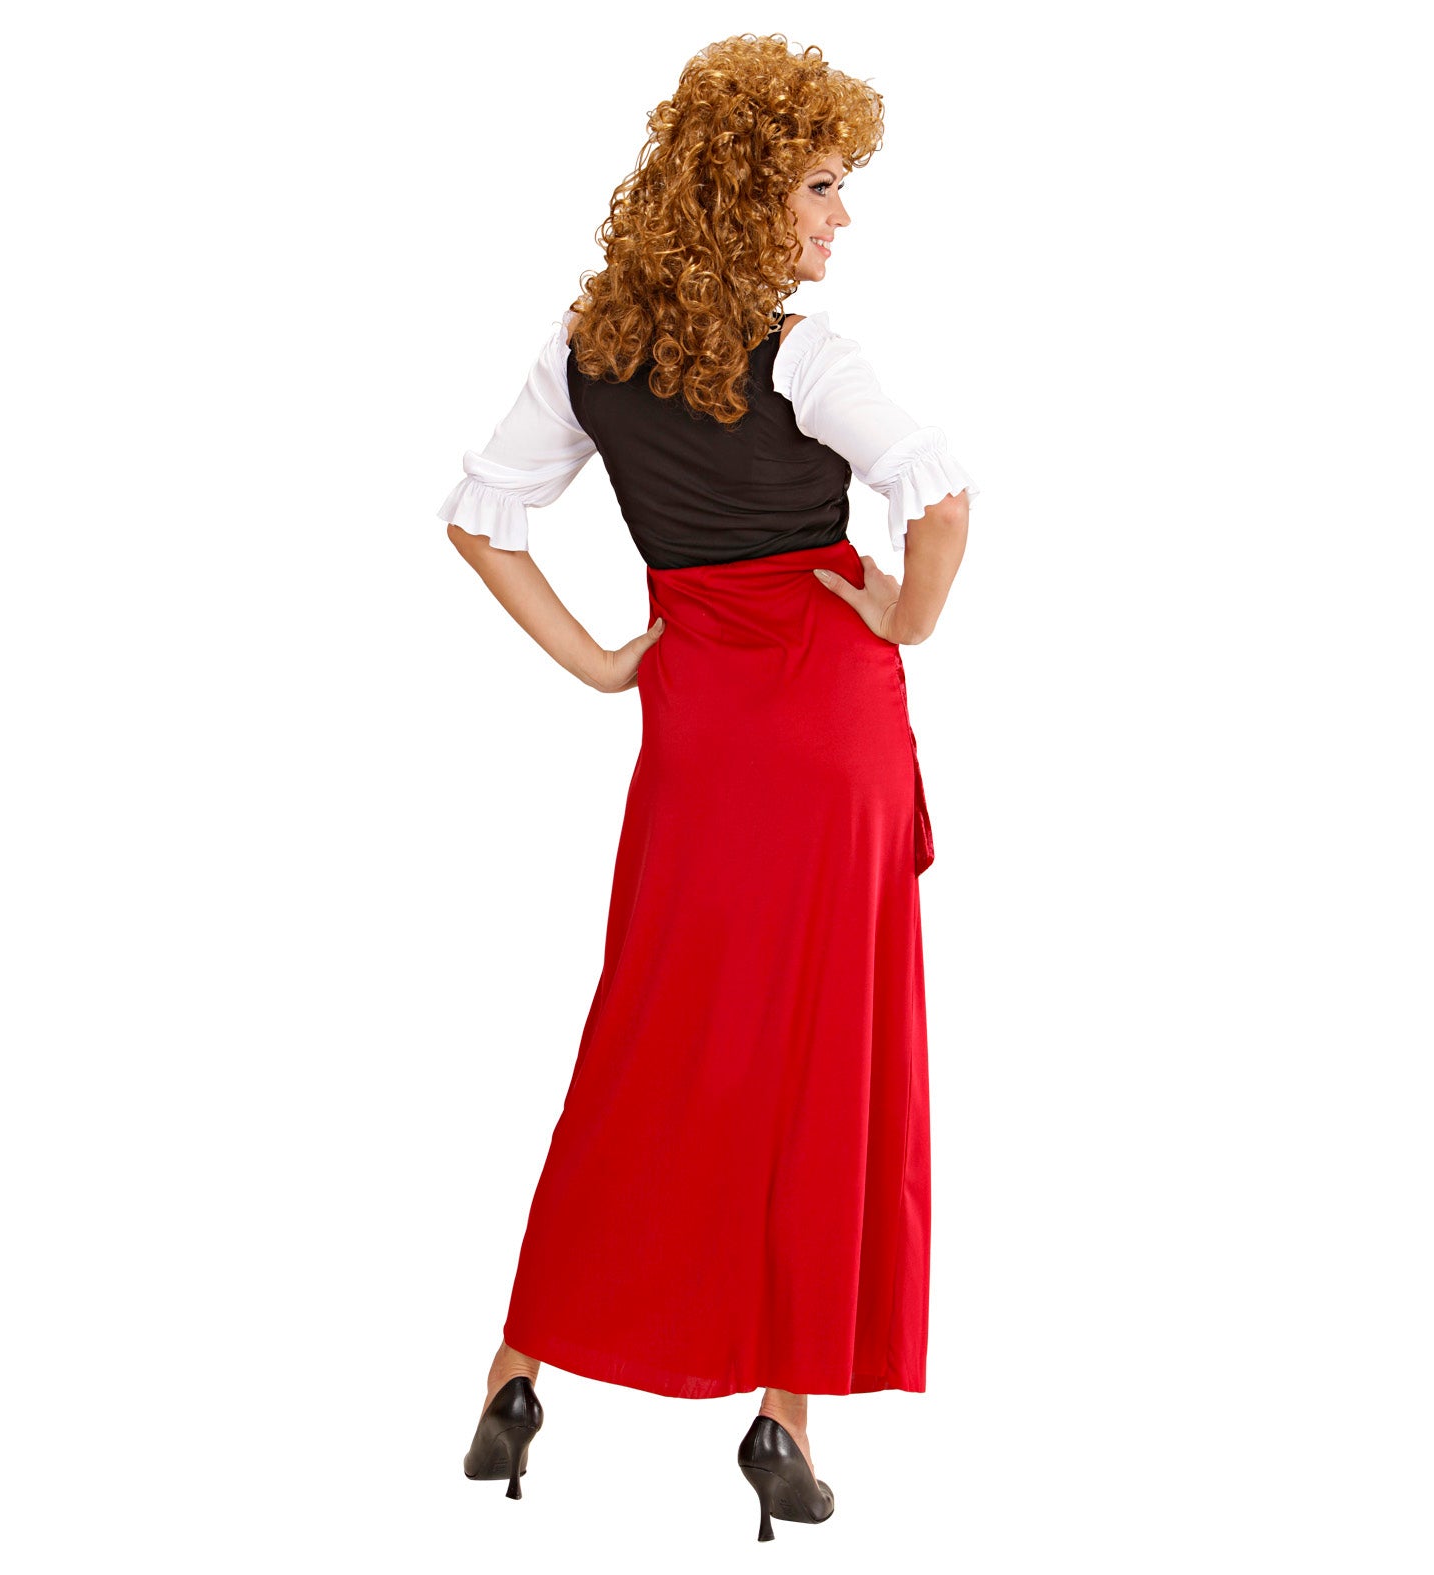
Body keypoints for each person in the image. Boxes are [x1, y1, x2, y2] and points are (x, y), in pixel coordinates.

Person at [436, 32, 978, 1542]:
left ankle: (514, 1377)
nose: (841, 217)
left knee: (652, 1032)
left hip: (695, 725)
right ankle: (780, 1420)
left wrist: (604, 664)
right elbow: (938, 495)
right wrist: (905, 618)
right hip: (828, 717)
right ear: (748, 194)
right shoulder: (807, 354)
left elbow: (481, 520)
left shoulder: (585, 351)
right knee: (821, 1052)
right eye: (821, 186)